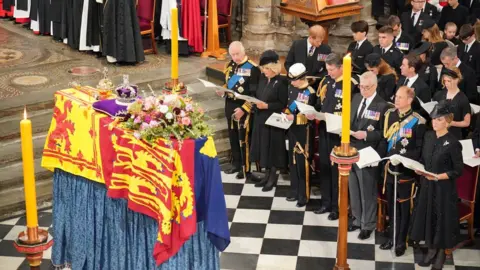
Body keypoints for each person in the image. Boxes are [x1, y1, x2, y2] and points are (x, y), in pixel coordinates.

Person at [409, 100, 463, 270]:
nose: (435, 122)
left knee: (441, 221)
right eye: (433, 119)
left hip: (443, 189)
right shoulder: (429, 136)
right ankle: (431, 250)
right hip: (427, 185)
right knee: (428, 218)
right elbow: (424, 159)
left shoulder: (453, 143)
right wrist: (419, 169)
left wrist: (439, 176)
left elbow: (458, 170)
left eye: (439, 120)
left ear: (447, 121)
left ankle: (440, 253)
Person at [379, 86, 426, 256]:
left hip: (406, 171)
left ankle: (401, 241)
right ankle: (392, 237)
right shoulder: (390, 115)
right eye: (396, 96)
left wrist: (403, 158)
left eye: (400, 97)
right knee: (391, 206)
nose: (396, 99)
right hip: (390, 168)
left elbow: (420, 150)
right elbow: (385, 141)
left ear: (409, 100)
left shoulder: (418, 121)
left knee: (404, 207)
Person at [313, 53, 359, 220]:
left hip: (340, 133)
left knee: (336, 171)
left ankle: (337, 207)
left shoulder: (351, 84)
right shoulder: (329, 82)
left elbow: (351, 111)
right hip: (326, 129)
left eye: (332, 69)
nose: (329, 72)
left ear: (342, 68)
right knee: (325, 166)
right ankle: (326, 202)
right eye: (327, 69)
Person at [348, 71, 390, 240]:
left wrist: (365, 134)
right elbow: (350, 120)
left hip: (368, 151)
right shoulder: (356, 98)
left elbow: (383, 132)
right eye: (361, 86)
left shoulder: (382, 105)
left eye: (367, 87)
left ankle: (368, 224)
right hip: (351, 148)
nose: (363, 90)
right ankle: (357, 219)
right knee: (354, 187)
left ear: (375, 86)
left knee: (367, 190)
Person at [219, 41, 260, 180]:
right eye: (232, 54)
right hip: (229, 105)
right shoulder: (229, 65)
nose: (235, 57)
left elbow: (255, 94)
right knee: (233, 136)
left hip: (243, 107)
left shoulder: (253, 68)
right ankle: (236, 164)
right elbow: (228, 84)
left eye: (237, 54)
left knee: (244, 139)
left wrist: (244, 109)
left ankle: (245, 167)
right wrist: (222, 91)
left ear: (243, 52)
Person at [249, 50, 288, 192]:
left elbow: (282, 103)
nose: (264, 71)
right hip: (260, 118)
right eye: (263, 69)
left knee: (272, 150)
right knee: (263, 148)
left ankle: (272, 177)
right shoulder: (263, 79)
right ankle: (266, 176)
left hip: (273, 120)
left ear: (273, 68)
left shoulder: (282, 82)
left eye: (266, 69)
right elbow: (259, 94)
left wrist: (267, 106)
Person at [284, 63, 316, 207]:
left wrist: (294, 118)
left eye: (294, 79)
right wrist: (285, 115)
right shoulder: (292, 88)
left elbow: (310, 116)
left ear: (302, 77)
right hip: (291, 129)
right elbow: (288, 106)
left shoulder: (310, 92)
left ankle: (304, 194)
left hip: (304, 132)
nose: (292, 82)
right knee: (293, 161)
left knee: (302, 163)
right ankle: (295, 190)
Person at [433, 68, 471, 139]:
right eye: (445, 81)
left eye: (449, 81)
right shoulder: (440, 94)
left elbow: (467, 122)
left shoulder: (463, 99)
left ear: (456, 80)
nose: (446, 83)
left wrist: (452, 123)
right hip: (439, 132)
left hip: (453, 134)